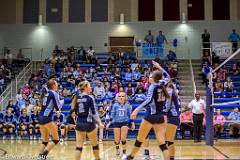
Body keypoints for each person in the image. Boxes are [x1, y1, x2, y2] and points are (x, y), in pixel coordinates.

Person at [123, 61, 170, 160]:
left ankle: (130, 157)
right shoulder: (162, 83)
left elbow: (148, 100)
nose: (149, 77)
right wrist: (159, 66)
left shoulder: (152, 87)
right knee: (162, 143)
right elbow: (168, 76)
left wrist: (136, 109)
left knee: (139, 139)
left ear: (153, 79)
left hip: (150, 116)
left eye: (150, 76)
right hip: (160, 116)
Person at [72, 81, 104, 160]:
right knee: (95, 144)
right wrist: (100, 123)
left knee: (79, 146)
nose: (91, 88)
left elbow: (73, 111)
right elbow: (94, 113)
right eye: (89, 86)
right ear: (85, 87)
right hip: (89, 123)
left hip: (79, 123)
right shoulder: (90, 97)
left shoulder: (77, 97)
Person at [38, 79, 63, 159]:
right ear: (53, 85)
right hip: (46, 118)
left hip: (40, 117)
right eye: (56, 83)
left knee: (45, 140)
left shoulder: (47, 93)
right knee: (56, 139)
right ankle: (43, 155)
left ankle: (39, 156)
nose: (57, 85)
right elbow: (58, 107)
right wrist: (62, 102)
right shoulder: (53, 93)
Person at [106, 92, 135, 156]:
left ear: (125, 97)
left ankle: (124, 152)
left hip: (125, 123)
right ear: (118, 97)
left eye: (122, 96)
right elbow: (112, 114)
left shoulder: (128, 106)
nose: (121, 97)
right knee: (116, 140)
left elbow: (130, 115)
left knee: (123, 139)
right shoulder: (115, 105)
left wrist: (132, 123)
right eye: (120, 96)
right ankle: (117, 149)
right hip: (116, 123)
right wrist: (109, 123)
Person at [165, 80, 180, 160]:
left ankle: (170, 158)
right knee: (169, 140)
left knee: (168, 140)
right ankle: (171, 158)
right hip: (173, 117)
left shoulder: (169, 91)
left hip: (171, 116)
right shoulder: (172, 91)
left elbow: (167, 107)